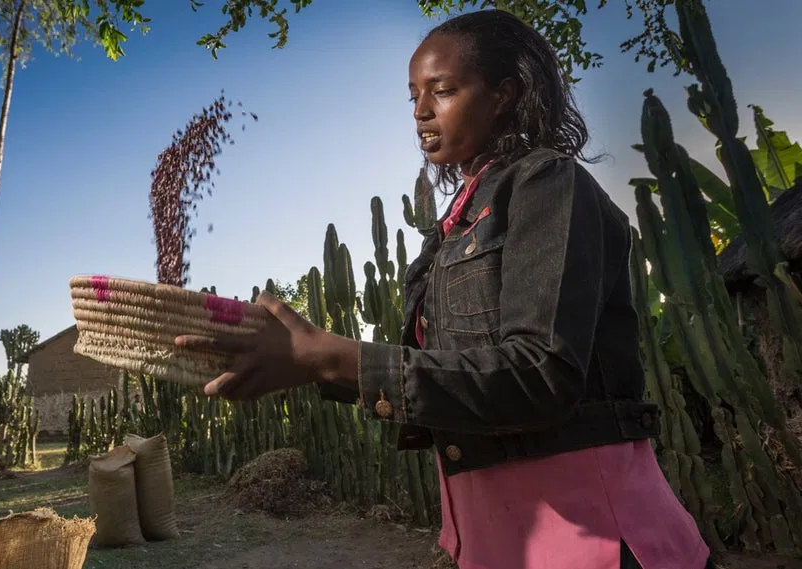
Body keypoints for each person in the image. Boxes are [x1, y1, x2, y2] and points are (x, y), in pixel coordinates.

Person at [175, 9, 712, 569]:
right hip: (493, 538)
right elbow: (447, 374)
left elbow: (541, 373)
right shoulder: (451, 229)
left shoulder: (547, 183)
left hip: (590, 538)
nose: (422, 112)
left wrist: (336, 358)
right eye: (413, 97)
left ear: (503, 95)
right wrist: (312, 364)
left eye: (444, 90)